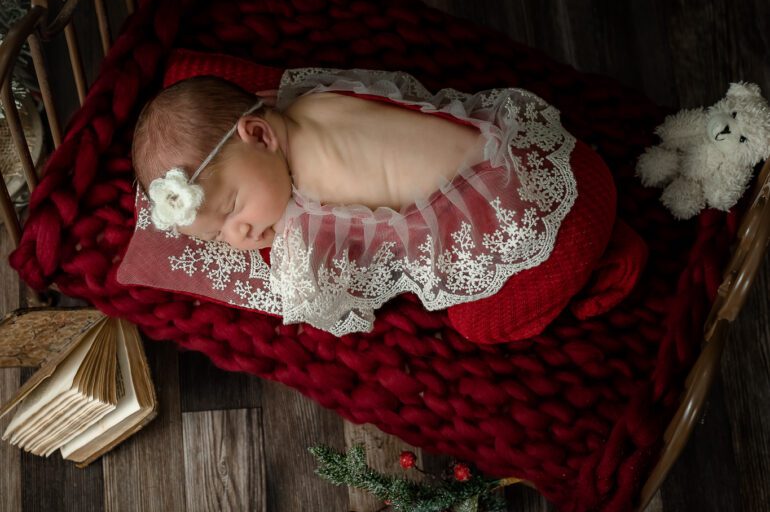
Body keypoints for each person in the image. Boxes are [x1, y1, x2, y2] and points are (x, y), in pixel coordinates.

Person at [132, 67, 620, 337]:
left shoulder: (311, 201)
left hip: (543, 221)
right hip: (543, 153)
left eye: (234, 208)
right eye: (217, 235)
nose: (239, 235)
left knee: (477, 322)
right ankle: (604, 239)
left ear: (260, 135)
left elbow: (328, 291)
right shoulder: (308, 100)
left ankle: (608, 265)